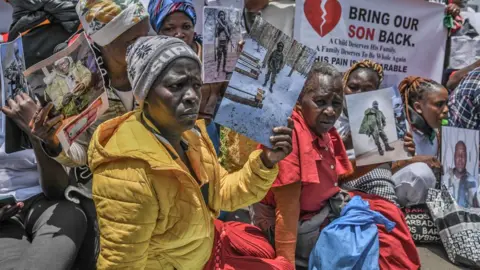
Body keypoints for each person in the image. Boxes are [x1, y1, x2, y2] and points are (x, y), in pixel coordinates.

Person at [88, 36, 294, 269]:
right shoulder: (128, 175)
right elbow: (121, 265)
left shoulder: (190, 134)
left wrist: (266, 161)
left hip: (206, 254)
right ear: (144, 94)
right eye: (176, 86)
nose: (192, 96)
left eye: (196, 85)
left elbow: (223, 192)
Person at [250, 62, 420, 269]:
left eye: (336, 103)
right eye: (320, 101)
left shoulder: (325, 131)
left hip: (324, 208)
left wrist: (382, 155)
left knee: (388, 214)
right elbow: (287, 210)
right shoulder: (291, 136)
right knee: (375, 247)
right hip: (297, 224)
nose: (330, 111)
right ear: (298, 102)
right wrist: (285, 263)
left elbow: (340, 176)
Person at [30, 0, 150, 201]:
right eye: (132, 41)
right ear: (106, 42)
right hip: (105, 193)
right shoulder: (80, 84)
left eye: (146, 36)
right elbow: (80, 156)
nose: (144, 46)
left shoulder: (154, 67)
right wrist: (54, 141)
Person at [0, 93, 87, 270]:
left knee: (71, 216)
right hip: (4, 218)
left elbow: (56, 190)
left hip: (45, 200)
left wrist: (36, 135)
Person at [392, 76, 449, 206]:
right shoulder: (399, 127)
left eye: (447, 104)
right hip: (390, 193)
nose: (446, 110)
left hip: (422, 196)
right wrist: (415, 160)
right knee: (421, 173)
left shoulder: (438, 134)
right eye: (439, 104)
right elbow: (380, 171)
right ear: (418, 107)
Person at [446, 141, 477, 207]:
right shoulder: (445, 179)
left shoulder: (474, 182)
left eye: (463, 155)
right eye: (458, 154)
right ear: (454, 157)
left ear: (466, 158)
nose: (460, 158)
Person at [215, 10, 231, 76]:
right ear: (219, 16)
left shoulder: (226, 23)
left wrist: (228, 40)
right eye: (220, 15)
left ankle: (223, 69)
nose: (222, 16)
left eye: (223, 15)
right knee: (219, 58)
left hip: (225, 43)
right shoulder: (217, 24)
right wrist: (220, 29)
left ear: (224, 16)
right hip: (220, 43)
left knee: (225, 57)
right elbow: (215, 35)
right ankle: (217, 70)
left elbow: (230, 33)